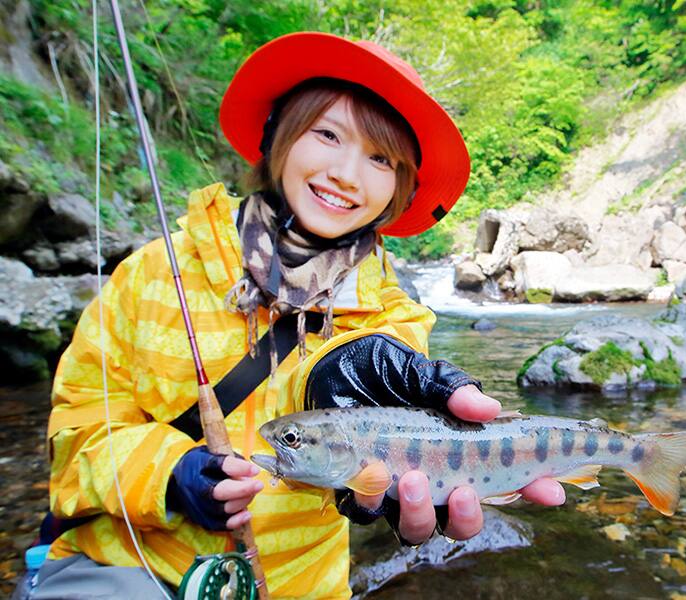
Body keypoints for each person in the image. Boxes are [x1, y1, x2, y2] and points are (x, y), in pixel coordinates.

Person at [32, 32, 565, 598]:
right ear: (278, 139)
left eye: (380, 158)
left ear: (399, 188)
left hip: (299, 584)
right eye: (328, 134)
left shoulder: (396, 317)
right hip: (125, 563)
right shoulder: (150, 273)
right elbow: (75, 437)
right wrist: (168, 475)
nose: (346, 174)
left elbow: (381, 446)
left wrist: (343, 374)